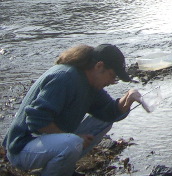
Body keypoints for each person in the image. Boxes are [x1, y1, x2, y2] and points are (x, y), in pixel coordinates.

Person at [2, 44, 140, 176]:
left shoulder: (90, 83)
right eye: (112, 76)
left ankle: (63, 169)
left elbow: (109, 112)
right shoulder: (65, 77)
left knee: (103, 121)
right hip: (22, 147)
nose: (112, 82)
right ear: (99, 66)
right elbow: (36, 120)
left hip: (46, 141)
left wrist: (128, 99)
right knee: (72, 143)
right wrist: (74, 138)